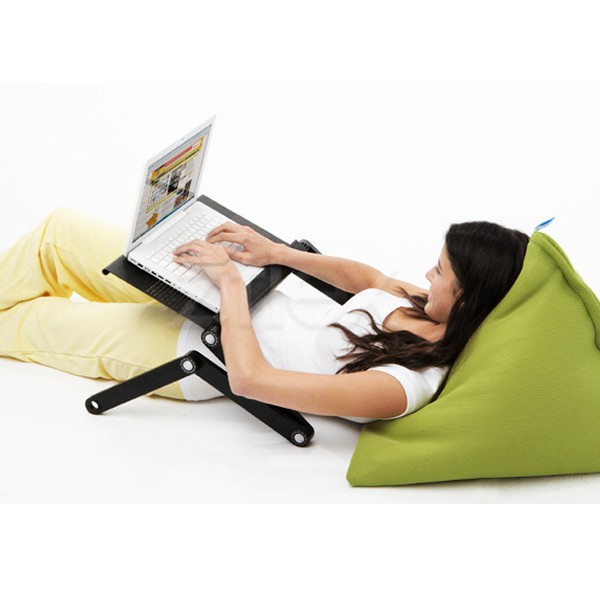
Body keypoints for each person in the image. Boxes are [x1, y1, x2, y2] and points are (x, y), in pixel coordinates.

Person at [0, 208, 529, 423]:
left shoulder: (401, 385)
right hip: (221, 293)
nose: (427, 274)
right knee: (58, 233)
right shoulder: (427, 309)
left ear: (468, 299)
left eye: (440, 272)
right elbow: (368, 278)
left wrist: (228, 283)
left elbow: (251, 380)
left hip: (197, 349)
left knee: (25, 321)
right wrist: (276, 252)